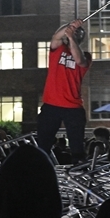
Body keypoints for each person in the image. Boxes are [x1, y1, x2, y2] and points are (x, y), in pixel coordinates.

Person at [36, 20, 91, 163]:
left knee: (76, 144)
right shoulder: (59, 49)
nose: (73, 34)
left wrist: (72, 37)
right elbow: (56, 37)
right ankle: (40, 166)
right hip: (51, 104)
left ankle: (79, 165)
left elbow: (79, 61)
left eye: (77, 34)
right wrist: (70, 25)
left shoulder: (86, 56)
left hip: (73, 106)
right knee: (43, 143)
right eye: (72, 33)